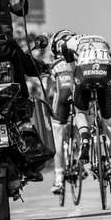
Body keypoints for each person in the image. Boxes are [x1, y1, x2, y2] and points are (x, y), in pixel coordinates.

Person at [50, 29, 111, 192]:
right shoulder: (102, 40)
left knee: (81, 112)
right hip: (105, 74)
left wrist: (76, 95)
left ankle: (85, 140)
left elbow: (72, 76)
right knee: (109, 123)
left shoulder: (67, 47)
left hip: (83, 75)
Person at [46, 35, 76, 194]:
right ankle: (78, 159)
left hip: (62, 97)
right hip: (78, 93)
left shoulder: (53, 65)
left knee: (59, 139)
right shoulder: (77, 59)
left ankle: (58, 180)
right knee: (82, 124)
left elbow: (49, 91)